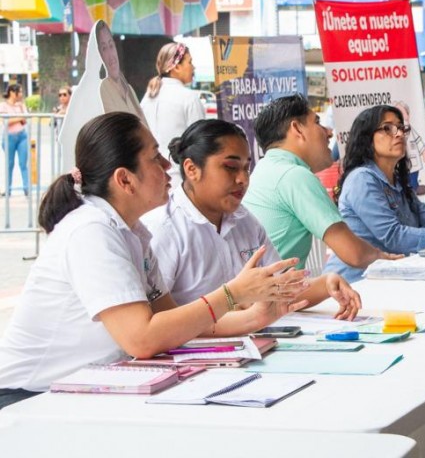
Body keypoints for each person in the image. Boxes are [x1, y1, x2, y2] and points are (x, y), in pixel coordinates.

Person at [0, 112, 310, 410]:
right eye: (154, 158)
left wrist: (255, 317)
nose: (166, 166)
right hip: (30, 398)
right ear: (125, 180)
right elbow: (142, 338)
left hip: (85, 387)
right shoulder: (91, 230)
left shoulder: (134, 232)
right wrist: (233, 294)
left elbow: (173, 322)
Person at [143, 118, 362, 318]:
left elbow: (280, 291)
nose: (242, 179)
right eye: (230, 167)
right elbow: (161, 323)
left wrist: (326, 284)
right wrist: (241, 312)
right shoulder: (163, 229)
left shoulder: (244, 220)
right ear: (192, 169)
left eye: (246, 168)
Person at [243, 94, 402, 272]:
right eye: (317, 122)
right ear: (297, 129)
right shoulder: (294, 175)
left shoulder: (266, 169)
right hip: (272, 295)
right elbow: (354, 253)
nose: (329, 132)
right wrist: (387, 258)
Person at [323, 105, 425, 282]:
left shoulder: (397, 180)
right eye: (388, 128)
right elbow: (393, 236)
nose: (399, 134)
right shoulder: (362, 179)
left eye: (402, 128)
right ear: (367, 138)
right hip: (354, 284)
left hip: (389, 278)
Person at [140, 42, 205, 181]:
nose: (193, 67)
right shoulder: (189, 98)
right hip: (180, 180)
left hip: (151, 180)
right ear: (176, 66)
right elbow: (201, 144)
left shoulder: (147, 99)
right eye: (190, 62)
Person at [96, 21, 146, 120]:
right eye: (104, 48)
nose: (111, 56)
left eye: (111, 46)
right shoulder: (102, 90)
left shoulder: (129, 89)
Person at [0, 84, 29, 196]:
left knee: (23, 163)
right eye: (19, 92)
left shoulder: (21, 106)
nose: (21, 94)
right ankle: (8, 189)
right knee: (10, 164)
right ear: (12, 92)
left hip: (22, 135)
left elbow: (25, 119)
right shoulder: (3, 106)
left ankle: (26, 188)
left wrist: (17, 118)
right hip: (9, 137)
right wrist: (19, 117)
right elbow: (6, 121)